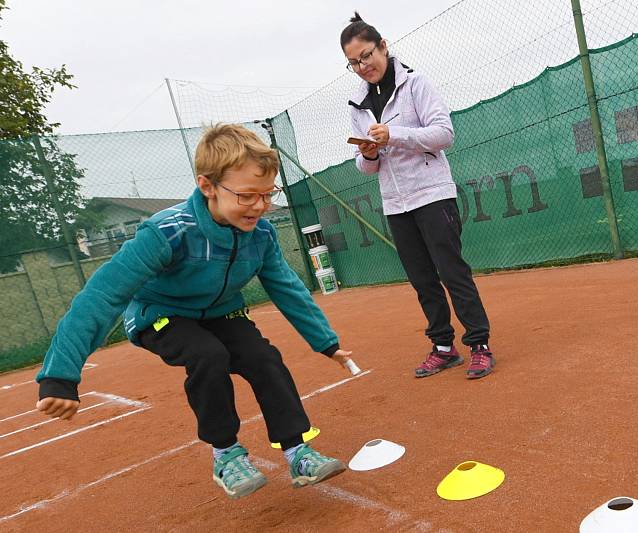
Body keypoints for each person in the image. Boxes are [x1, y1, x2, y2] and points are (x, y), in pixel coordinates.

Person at [35, 124, 351, 499]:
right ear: (208, 186)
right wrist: (60, 377)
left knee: (263, 358)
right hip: (160, 315)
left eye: (268, 194)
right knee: (207, 354)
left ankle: (298, 453)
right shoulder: (167, 232)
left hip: (221, 312)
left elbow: (287, 287)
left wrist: (326, 342)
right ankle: (226, 454)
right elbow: (101, 297)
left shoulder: (261, 235)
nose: (260, 206)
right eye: (248, 195)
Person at [341, 12, 495, 380]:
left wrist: (395, 136)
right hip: (396, 203)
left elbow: (443, 134)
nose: (362, 66)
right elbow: (366, 168)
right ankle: (443, 347)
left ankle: (479, 344)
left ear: (383, 46)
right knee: (421, 279)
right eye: (353, 63)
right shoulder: (356, 105)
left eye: (366, 56)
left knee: (452, 272)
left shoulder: (416, 84)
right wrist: (369, 153)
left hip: (432, 195)